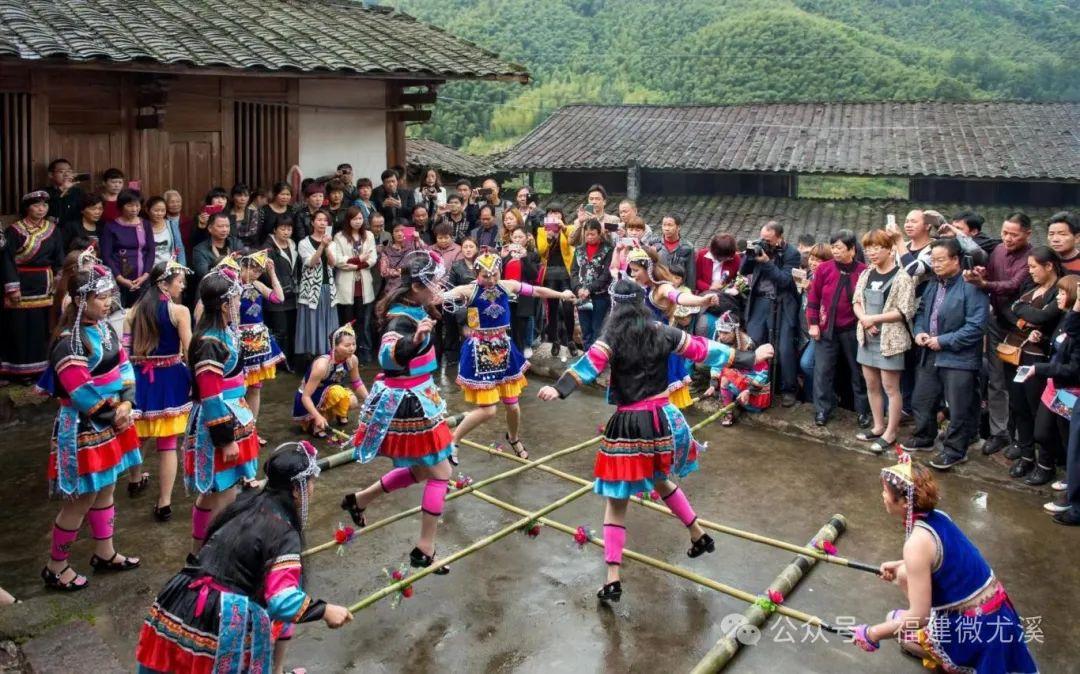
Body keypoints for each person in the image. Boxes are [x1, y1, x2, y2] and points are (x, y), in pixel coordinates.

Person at [538, 278, 772, 601]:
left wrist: (559, 388)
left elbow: (588, 365)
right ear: (641, 303)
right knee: (659, 480)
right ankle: (698, 534)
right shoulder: (663, 332)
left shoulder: (611, 338)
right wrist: (751, 358)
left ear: (616, 306)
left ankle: (612, 578)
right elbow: (706, 349)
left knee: (616, 501)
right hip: (662, 421)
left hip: (630, 424)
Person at [136, 442, 353, 674]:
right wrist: (325, 610)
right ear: (295, 489)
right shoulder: (283, 531)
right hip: (222, 616)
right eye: (310, 482)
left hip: (180, 598)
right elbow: (282, 600)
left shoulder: (242, 506)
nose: (312, 488)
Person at [852, 456, 1038, 674]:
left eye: (885, 491)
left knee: (899, 631)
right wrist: (902, 564)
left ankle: (961, 661)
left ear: (903, 502)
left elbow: (919, 616)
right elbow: (941, 557)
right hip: (998, 616)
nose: (882, 496)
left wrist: (872, 634)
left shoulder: (916, 543)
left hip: (974, 630)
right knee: (903, 575)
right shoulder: (939, 517)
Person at [342, 251, 459, 573]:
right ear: (419, 285)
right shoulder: (401, 319)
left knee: (423, 472)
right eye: (434, 281)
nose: (439, 286)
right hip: (410, 401)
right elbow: (388, 358)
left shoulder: (416, 307)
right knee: (442, 475)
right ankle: (425, 548)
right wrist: (415, 340)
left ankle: (360, 499)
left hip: (419, 395)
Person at [40, 254, 142, 591]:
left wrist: (127, 401)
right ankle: (56, 566)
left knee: (107, 487)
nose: (108, 302)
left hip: (113, 420)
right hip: (83, 426)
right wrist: (115, 414)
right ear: (82, 300)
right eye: (101, 297)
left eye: (109, 295)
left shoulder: (103, 330)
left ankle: (105, 551)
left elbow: (126, 367)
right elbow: (79, 391)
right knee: (80, 499)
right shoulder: (69, 341)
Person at [444, 251, 576, 462]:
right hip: (479, 349)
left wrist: (561, 295)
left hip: (503, 348)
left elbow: (536, 291)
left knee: (513, 406)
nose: (491, 279)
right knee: (487, 410)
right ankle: (453, 440)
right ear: (477, 273)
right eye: (486, 276)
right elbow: (443, 297)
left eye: (494, 274)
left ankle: (513, 438)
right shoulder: (468, 290)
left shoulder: (507, 285)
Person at [185, 268, 260, 554]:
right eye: (236, 298)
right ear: (224, 303)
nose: (239, 303)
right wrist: (225, 438)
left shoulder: (224, 334)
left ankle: (199, 551)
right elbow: (211, 395)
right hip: (218, 425)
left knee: (216, 493)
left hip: (233, 416)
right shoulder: (209, 343)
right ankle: (215, 553)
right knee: (223, 494)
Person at [900, 239, 990, 470]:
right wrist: (919, 332)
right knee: (923, 399)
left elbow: (976, 326)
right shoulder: (933, 283)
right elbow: (921, 312)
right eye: (933, 260)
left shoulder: (971, 285)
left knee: (959, 407)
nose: (935, 264)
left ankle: (955, 450)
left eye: (941, 260)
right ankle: (924, 437)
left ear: (955, 260)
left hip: (959, 356)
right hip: (929, 351)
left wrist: (943, 340)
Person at [125, 260, 193, 522]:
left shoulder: (133, 313)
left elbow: (125, 352)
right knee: (167, 443)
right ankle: (164, 502)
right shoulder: (179, 311)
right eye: (179, 281)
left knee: (138, 435)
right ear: (164, 283)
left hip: (140, 379)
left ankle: (134, 479)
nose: (183, 285)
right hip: (171, 379)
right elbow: (189, 349)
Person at [965, 212, 1033, 457]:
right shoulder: (998, 251)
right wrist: (981, 275)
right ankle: (999, 432)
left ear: (1028, 234)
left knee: (1021, 384)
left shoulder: (1031, 257)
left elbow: (1014, 285)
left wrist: (985, 285)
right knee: (995, 380)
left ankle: (1021, 439)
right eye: (1005, 233)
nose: (1008, 238)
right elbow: (992, 276)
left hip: (1021, 328)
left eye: (1014, 234)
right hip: (997, 321)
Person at [623, 245, 720, 408]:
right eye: (631, 270)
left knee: (662, 403)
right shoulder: (638, 286)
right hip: (641, 346)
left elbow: (679, 297)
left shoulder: (661, 288)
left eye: (636, 270)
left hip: (660, 348)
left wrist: (702, 300)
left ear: (648, 267)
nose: (632, 275)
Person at [999, 246, 1062, 484]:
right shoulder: (1031, 288)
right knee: (1019, 406)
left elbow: (1044, 318)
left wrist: (1024, 313)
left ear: (1049, 266)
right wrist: (1026, 321)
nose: (1030, 271)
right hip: (1018, 354)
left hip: (1040, 359)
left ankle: (1046, 462)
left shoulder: (1060, 291)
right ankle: (1026, 456)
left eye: (1034, 267)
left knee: (1039, 412)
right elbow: (1009, 308)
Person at [853, 229, 916, 453]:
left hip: (891, 340)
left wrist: (874, 319)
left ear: (890, 249)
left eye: (877, 247)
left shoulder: (902, 277)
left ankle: (891, 431)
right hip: (867, 336)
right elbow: (856, 301)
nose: (871, 252)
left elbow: (904, 311)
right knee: (871, 384)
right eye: (868, 248)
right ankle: (878, 425)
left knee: (891, 387)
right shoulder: (866, 274)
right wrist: (865, 320)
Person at [806, 229, 869, 427]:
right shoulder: (824, 269)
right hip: (826, 328)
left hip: (853, 329)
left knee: (858, 372)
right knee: (822, 370)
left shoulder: (863, 271)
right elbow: (813, 299)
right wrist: (813, 324)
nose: (835, 251)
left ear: (851, 249)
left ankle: (863, 411)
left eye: (840, 248)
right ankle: (822, 410)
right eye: (833, 247)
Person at [1, 191, 65, 380]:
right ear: (27, 208)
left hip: (44, 284)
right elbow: (7, 260)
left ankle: (40, 369)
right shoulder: (14, 230)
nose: (41, 209)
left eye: (44, 205)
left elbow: (60, 257)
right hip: (20, 282)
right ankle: (17, 370)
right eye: (37, 205)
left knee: (41, 325)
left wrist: (58, 281)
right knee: (18, 326)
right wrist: (12, 287)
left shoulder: (53, 229)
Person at [1033, 278, 1080, 524]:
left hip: (1070, 392)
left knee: (1070, 439)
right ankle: (1069, 477)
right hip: (1056, 388)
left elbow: (1071, 366)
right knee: (1056, 433)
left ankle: (1072, 487)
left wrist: (1042, 369)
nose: (1058, 297)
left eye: (1063, 293)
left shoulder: (1074, 324)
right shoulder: (1063, 320)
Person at [740, 221, 802, 408]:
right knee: (754, 342)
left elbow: (784, 280)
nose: (764, 242)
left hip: (782, 304)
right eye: (762, 238)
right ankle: (754, 385)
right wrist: (750, 255)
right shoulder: (759, 248)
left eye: (768, 240)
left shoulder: (792, 253)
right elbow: (743, 270)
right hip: (759, 300)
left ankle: (788, 389)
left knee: (784, 348)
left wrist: (767, 262)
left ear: (779, 238)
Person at [238, 251, 286, 439]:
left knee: (255, 387)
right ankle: (240, 427)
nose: (255, 274)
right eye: (252, 269)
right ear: (242, 267)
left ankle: (252, 429)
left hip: (258, 340)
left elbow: (279, 298)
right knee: (239, 388)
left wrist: (272, 273)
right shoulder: (233, 286)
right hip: (240, 340)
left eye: (259, 271)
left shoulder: (257, 285)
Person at [293, 322, 367, 438]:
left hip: (331, 392)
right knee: (337, 393)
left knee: (352, 401)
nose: (352, 348)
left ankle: (335, 413)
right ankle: (316, 419)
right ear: (334, 346)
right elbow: (305, 396)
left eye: (354, 344)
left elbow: (357, 382)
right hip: (313, 397)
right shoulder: (322, 365)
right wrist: (317, 416)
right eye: (347, 345)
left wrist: (369, 400)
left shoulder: (352, 360)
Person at [703, 311, 771, 426]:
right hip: (738, 386)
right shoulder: (720, 340)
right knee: (724, 371)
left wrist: (748, 390)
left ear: (734, 331)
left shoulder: (748, 345)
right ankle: (728, 410)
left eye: (725, 332)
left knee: (726, 376)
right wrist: (713, 384)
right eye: (720, 332)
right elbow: (717, 364)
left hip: (754, 394)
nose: (722, 336)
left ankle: (730, 403)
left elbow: (763, 371)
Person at [332, 206, 379, 362]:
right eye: (354, 219)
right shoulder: (339, 237)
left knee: (363, 322)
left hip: (364, 284)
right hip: (346, 285)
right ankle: (345, 354)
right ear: (348, 220)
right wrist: (359, 259)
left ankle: (363, 354)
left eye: (360, 218)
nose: (358, 221)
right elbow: (338, 261)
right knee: (347, 322)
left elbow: (372, 258)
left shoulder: (369, 235)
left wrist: (354, 264)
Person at [295, 209, 338, 364]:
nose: (322, 223)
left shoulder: (331, 242)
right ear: (312, 222)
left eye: (325, 220)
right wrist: (321, 246)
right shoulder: (303, 243)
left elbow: (333, 263)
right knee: (313, 322)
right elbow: (311, 263)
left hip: (328, 288)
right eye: (319, 220)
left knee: (328, 323)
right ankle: (313, 358)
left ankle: (328, 356)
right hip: (311, 290)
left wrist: (327, 246)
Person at [100, 189, 155, 307]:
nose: (134, 209)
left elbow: (151, 251)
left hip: (143, 279)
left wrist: (145, 275)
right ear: (121, 206)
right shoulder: (111, 227)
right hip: (118, 280)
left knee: (143, 314)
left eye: (137, 205)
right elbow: (106, 255)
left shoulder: (145, 224)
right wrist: (120, 279)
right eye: (130, 205)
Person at [537, 204, 577, 360]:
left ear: (562, 215)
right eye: (551, 213)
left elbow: (573, 242)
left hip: (566, 272)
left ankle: (571, 340)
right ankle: (555, 340)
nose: (554, 215)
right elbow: (541, 251)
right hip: (550, 273)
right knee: (552, 308)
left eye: (557, 213)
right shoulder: (541, 231)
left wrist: (563, 229)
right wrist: (548, 238)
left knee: (568, 307)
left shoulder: (569, 228)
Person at [571, 219, 614, 349]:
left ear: (599, 233)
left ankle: (596, 358)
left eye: (593, 234)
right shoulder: (579, 250)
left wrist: (590, 288)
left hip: (600, 295)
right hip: (582, 296)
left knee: (597, 329)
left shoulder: (608, 250)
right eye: (587, 234)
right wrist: (578, 288)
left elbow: (607, 274)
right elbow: (573, 271)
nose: (589, 237)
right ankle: (586, 356)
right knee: (585, 329)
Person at [797, 244, 832, 403]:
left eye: (818, 260)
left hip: (819, 330)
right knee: (806, 366)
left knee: (807, 363)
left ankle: (826, 397)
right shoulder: (810, 275)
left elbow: (827, 303)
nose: (813, 262)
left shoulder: (828, 278)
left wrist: (811, 289)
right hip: (805, 329)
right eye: (812, 258)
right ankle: (811, 399)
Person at [264, 217, 300, 369]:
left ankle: (289, 361)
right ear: (275, 230)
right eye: (283, 229)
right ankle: (278, 363)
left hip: (292, 294)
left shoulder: (292, 244)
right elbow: (266, 273)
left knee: (292, 329)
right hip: (277, 294)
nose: (286, 232)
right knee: (280, 330)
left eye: (289, 229)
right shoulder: (268, 248)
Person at [502, 227, 541, 356]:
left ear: (526, 238)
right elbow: (499, 274)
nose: (517, 240)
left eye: (521, 237)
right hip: (508, 295)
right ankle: (512, 353)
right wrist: (502, 258)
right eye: (515, 237)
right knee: (509, 325)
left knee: (523, 324)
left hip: (524, 294)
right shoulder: (506, 253)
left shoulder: (532, 254)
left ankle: (525, 347)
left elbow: (533, 275)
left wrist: (524, 258)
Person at [646, 214, 696, 291]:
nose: (666, 228)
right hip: (657, 286)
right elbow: (647, 266)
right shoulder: (653, 243)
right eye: (664, 225)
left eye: (670, 225)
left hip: (678, 287)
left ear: (678, 227)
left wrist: (690, 291)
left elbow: (690, 272)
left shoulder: (687, 247)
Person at [191, 211, 238, 287]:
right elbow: (205, 275)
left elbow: (245, 265)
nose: (225, 230)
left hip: (236, 285)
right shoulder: (200, 250)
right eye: (220, 226)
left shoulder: (235, 242)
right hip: (212, 289)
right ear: (210, 228)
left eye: (227, 226)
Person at [145, 195, 186, 268]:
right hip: (149, 270)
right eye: (156, 210)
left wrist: (181, 270)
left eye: (163, 210)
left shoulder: (171, 225)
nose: (160, 213)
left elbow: (179, 248)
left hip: (170, 268)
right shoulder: (142, 227)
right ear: (147, 210)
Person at [44, 158, 85, 226]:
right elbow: (48, 212)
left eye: (69, 171)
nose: (66, 175)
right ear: (51, 175)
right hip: (52, 232)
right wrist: (62, 188)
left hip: (74, 232)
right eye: (61, 171)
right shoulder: (44, 193)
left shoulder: (79, 192)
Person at [228, 183, 262, 248]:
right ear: (233, 197)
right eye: (239, 195)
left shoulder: (253, 214)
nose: (243, 199)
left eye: (246, 196)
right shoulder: (226, 214)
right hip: (229, 249)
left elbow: (254, 235)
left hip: (249, 249)